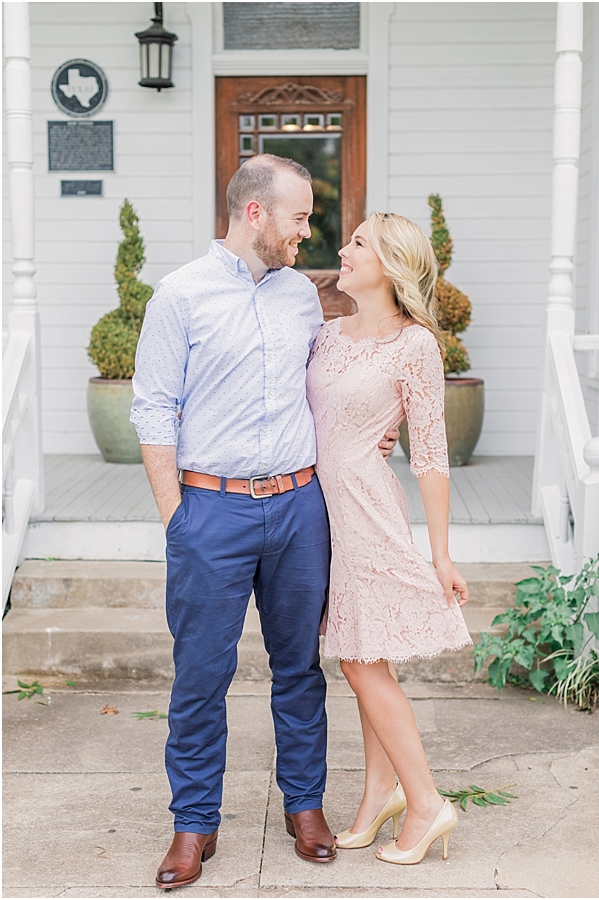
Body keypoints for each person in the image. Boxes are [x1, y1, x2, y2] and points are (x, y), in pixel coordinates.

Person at [133, 154, 394, 889]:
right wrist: (176, 518)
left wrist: (375, 423)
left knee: (298, 671)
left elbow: (328, 386)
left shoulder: (302, 298)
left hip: (298, 509)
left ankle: (304, 807)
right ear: (256, 214)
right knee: (200, 676)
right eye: (301, 217)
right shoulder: (179, 296)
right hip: (209, 511)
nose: (307, 233)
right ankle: (193, 823)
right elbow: (153, 406)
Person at [306, 211, 472, 866]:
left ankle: (427, 802)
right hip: (319, 507)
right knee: (365, 652)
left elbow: (431, 455)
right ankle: (379, 794)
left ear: (391, 265)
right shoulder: (324, 333)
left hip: (366, 509)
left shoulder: (416, 346)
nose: (343, 251)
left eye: (358, 243)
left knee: (357, 658)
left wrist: (439, 552)